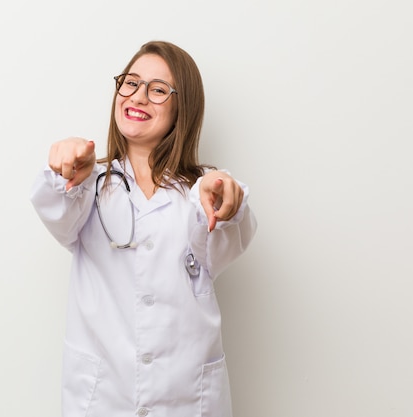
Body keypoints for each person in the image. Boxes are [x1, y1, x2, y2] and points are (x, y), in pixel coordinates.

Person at [30, 40, 257, 417]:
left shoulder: (201, 190)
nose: (138, 96)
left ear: (182, 106)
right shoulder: (88, 185)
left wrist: (223, 197)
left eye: (157, 89)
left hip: (186, 399)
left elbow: (226, 241)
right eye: (130, 83)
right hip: (104, 398)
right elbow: (56, 209)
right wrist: (63, 170)